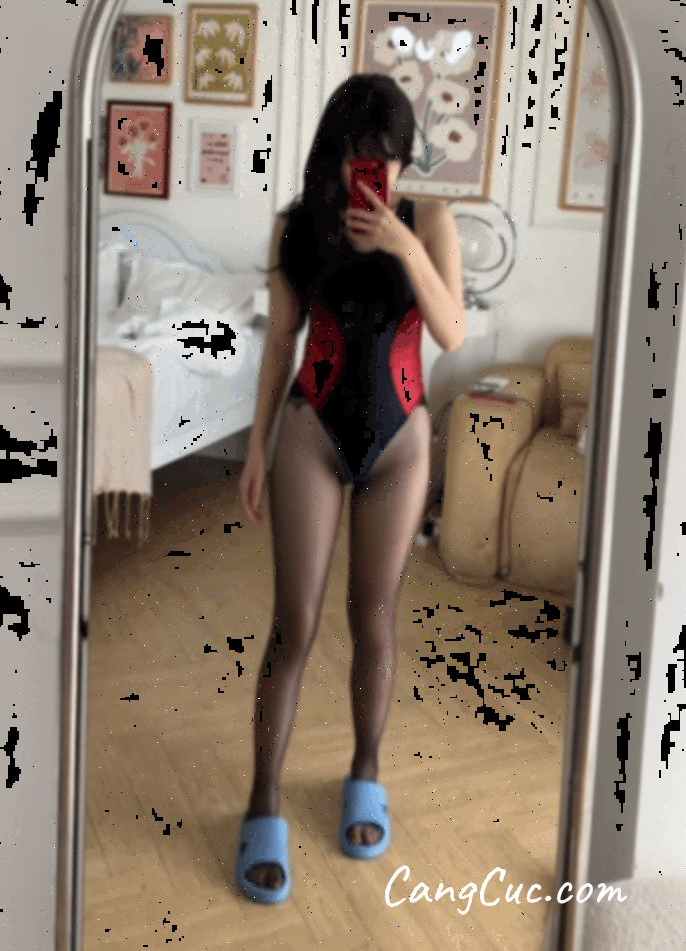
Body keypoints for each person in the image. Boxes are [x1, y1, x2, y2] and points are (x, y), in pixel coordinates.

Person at [236, 73, 465, 903]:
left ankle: (365, 771)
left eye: (389, 159)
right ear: (334, 154)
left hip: (400, 441)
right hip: (311, 433)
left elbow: (451, 332)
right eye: (359, 157)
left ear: (404, 161)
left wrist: (404, 245)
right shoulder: (297, 226)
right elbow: (280, 343)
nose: (375, 174)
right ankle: (262, 800)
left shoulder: (430, 220)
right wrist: (255, 448)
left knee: (373, 617)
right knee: (293, 624)